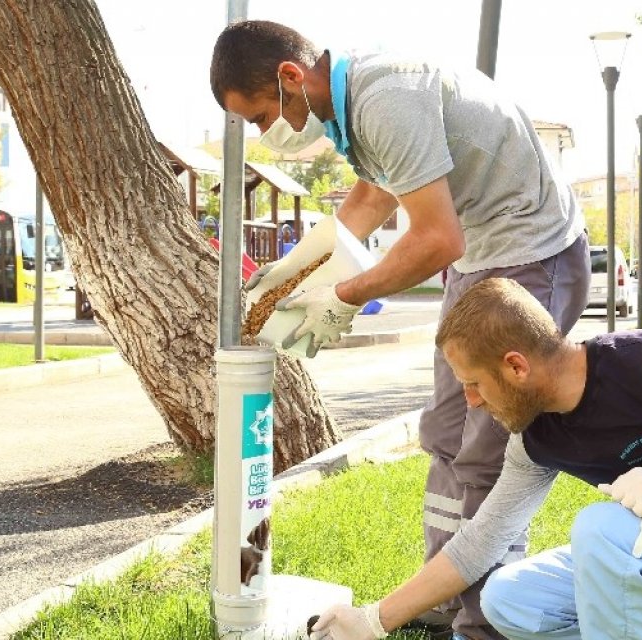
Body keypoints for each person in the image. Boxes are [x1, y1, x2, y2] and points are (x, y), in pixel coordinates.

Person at [211, 21, 590, 640]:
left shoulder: (385, 97)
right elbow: (370, 201)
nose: (263, 133)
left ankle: (487, 617)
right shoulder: (351, 107)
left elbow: (438, 238)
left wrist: (343, 293)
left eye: (258, 117)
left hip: (532, 253)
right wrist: (292, 278)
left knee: (488, 449)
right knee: (445, 430)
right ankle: (441, 591)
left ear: (289, 77)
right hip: (482, 260)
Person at [308, 278, 642, 640]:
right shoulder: (535, 437)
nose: (471, 400)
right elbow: (481, 543)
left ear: (515, 366)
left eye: (474, 384)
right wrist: (372, 622)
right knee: (508, 598)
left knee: (602, 528)